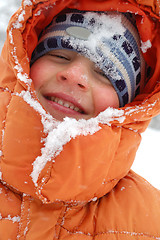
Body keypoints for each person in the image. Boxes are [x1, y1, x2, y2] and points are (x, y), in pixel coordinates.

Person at [0, 0, 160, 239]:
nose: (75, 75)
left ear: (128, 106)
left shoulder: (150, 222)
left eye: (105, 73)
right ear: (27, 64)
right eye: (59, 55)